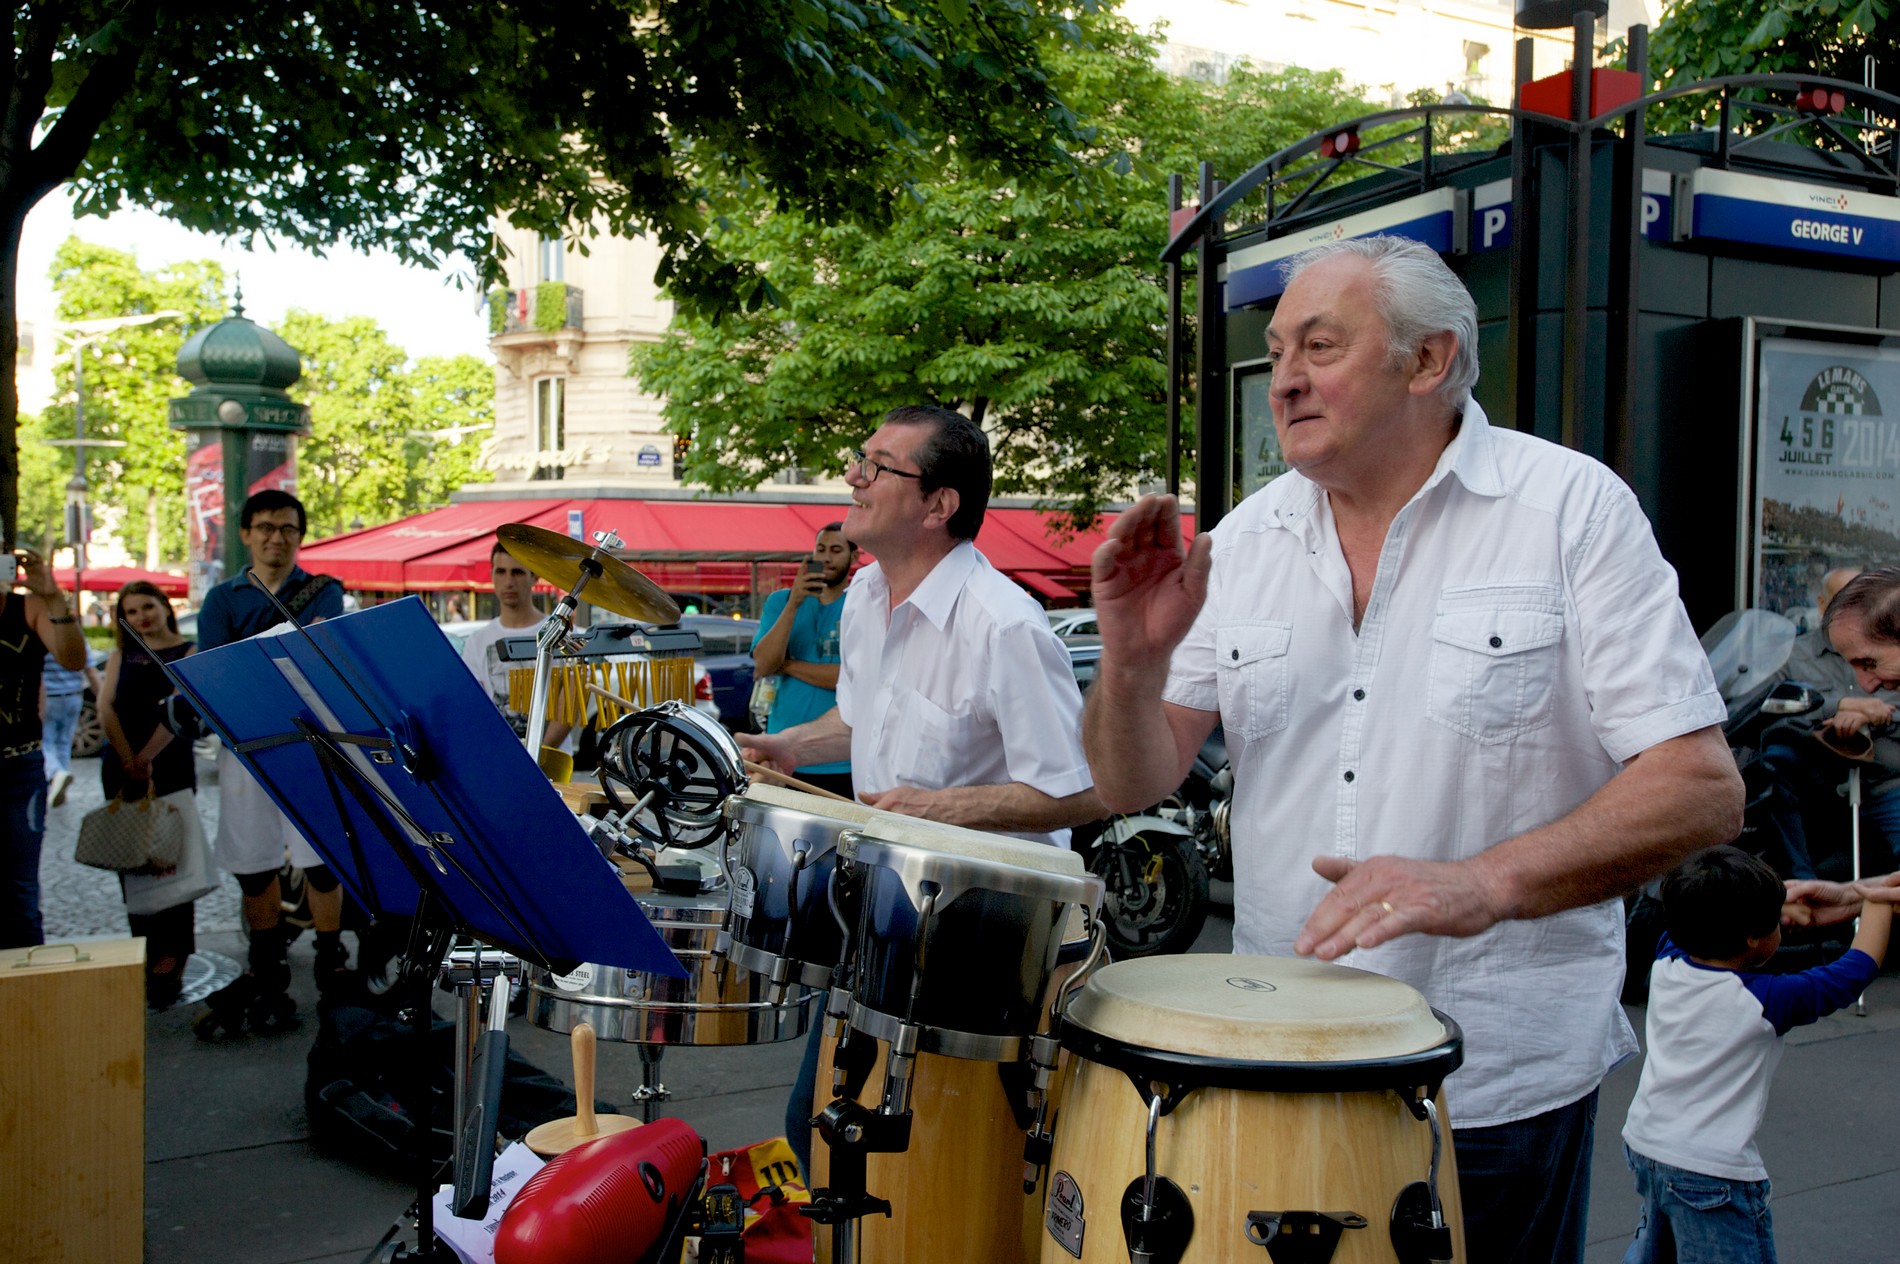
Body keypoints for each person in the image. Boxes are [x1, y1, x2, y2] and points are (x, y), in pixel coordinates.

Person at [1081, 236, 1743, 1264]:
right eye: (1277, 350)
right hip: (1276, 1056)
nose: (1285, 377)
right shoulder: (1245, 542)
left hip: (1489, 1073)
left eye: (1320, 344)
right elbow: (1135, 777)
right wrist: (1126, 664)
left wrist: (1483, 881)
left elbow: (1699, 789)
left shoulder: (1568, 510)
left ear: (1427, 361)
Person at [740, 404, 1100, 1175]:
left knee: (936, 1167)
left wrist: (944, 809)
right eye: (859, 458)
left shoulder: (1007, 626)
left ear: (939, 505)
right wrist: (786, 748)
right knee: (817, 1130)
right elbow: (862, 720)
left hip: (987, 939)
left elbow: (1083, 793)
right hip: (879, 911)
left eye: (878, 466)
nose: (853, 476)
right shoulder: (867, 600)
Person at [1620, 846, 1889, 1264]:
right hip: (1712, 1174)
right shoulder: (1762, 1001)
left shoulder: (1667, 960)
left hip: (1648, 1148)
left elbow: (1706, 912)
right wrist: (1876, 905)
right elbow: (1852, 971)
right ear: (1752, 936)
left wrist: (1780, 907)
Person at [194, 489, 347, 1037]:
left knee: (322, 858)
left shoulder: (326, 592)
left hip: (309, 741)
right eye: (264, 527)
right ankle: (267, 967)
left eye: (286, 528)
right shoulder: (221, 600)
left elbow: (315, 659)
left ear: (299, 536)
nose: (275, 537)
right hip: (246, 745)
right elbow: (215, 673)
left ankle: (332, 962)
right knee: (254, 862)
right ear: (245, 533)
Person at [1757, 567, 1900, 878]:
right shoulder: (1791, 655)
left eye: (1871, 664)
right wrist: (1837, 707)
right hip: (1819, 783)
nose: (1867, 683)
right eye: (1844, 603)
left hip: (1884, 779)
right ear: (1823, 606)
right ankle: (1799, 880)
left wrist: (1874, 715)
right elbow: (1769, 707)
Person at [98, 581, 200, 1007]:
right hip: (122, 771)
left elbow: (183, 708)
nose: (142, 616)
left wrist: (147, 757)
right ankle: (144, 947)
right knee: (135, 864)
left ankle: (173, 955)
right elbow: (106, 709)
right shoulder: (121, 656)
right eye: (132, 611)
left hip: (171, 766)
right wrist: (129, 760)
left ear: (165, 607)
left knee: (172, 860)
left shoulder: (191, 652)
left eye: (148, 606)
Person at [1, 548, 87, 948]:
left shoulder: (29, 608)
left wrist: (53, 597)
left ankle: (26, 995)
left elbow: (73, 659)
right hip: (20, 768)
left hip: (19, 769)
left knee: (20, 892)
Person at [748, 523, 857, 798]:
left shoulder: (860, 604)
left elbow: (849, 679)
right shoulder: (780, 601)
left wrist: (787, 665)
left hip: (842, 762)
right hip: (783, 755)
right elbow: (763, 664)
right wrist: (794, 602)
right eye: (820, 549)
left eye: (836, 550)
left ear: (854, 557)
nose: (827, 558)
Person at [459, 536, 572, 752]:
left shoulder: (560, 634)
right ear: (491, 575)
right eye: (501, 571)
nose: (509, 581)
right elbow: (477, 705)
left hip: (551, 764)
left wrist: (539, 755)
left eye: (517, 572)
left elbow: (568, 706)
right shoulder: (477, 641)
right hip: (499, 758)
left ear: (534, 577)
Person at [41, 639, 98, 809]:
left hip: (48, 697)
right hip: (73, 695)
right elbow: (91, 670)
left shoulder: (39, 638)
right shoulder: (75, 638)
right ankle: (60, 784)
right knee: (64, 742)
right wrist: (102, 699)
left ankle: (56, 774)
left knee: (45, 742)